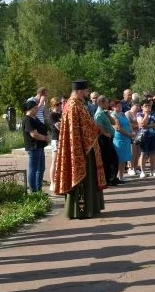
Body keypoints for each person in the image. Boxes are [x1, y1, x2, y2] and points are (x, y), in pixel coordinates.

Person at [54, 80, 106, 219]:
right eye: (86, 91)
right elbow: (83, 128)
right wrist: (97, 129)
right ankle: (82, 210)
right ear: (79, 91)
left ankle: (90, 208)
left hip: (84, 146)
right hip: (81, 148)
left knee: (89, 177)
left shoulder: (75, 104)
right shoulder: (73, 105)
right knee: (84, 178)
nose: (87, 93)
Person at [22, 98, 49, 193]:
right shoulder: (28, 119)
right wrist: (45, 138)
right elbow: (34, 134)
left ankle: (39, 189)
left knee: (41, 168)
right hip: (33, 147)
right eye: (36, 108)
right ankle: (33, 191)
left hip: (40, 146)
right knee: (33, 169)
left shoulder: (35, 118)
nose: (37, 110)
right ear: (31, 109)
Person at [93, 96, 119, 185]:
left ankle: (113, 178)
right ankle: (108, 179)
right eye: (107, 102)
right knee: (107, 160)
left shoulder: (104, 112)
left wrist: (108, 115)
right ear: (101, 103)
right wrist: (105, 134)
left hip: (109, 138)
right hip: (104, 139)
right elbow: (98, 126)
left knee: (114, 159)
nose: (108, 104)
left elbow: (114, 122)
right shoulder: (99, 114)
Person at [137, 99, 155, 177]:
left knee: (153, 153)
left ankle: (152, 171)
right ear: (142, 107)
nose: (147, 107)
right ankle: (142, 171)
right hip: (144, 136)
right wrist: (146, 114)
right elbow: (141, 124)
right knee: (143, 154)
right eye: (145, 106)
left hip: (154, 135)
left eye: (149, 105)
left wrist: (147, 126)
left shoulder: (153, 113)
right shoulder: (139, 114)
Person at [48, 97, 62, 190]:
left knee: (61, 161)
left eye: (60, 104)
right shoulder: (52, 115)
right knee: (55, 161)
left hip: (62, 139)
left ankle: (59, 181)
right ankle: (52, 182)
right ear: (53, 105)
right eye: (57, 104)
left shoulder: (61, 114)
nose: (59, 106)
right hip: (56, 139)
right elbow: (59, 126)